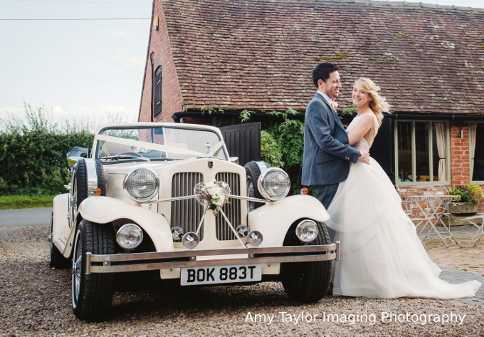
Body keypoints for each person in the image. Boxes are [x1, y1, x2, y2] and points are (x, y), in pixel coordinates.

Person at [326, 77, 481, 298]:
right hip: (358, 170)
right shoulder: (363, 116)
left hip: (360, 173)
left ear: (370, 96)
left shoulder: (366, 117)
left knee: (364, 227)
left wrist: (331, 115)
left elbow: (345, 141)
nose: (355, 94)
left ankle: (371, 279)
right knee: (359, 226)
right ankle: (360, 277)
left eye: (361, 91)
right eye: (353, 90)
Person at [301, 63, 369, 242]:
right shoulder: (317, 105)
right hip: (325, 174)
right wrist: (355, 154)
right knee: (324, 228)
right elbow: (325, 142)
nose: (340, 85)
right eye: (335, 81)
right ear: (321, 83)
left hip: (329, 173)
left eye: (340, 81)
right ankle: (319, 267)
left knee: (327, 226)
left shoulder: (324, 104)